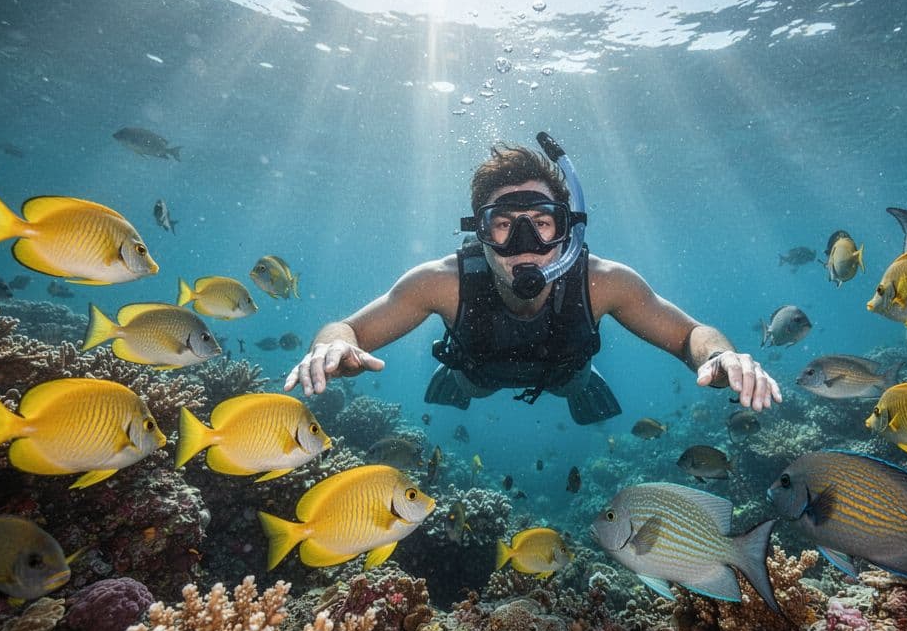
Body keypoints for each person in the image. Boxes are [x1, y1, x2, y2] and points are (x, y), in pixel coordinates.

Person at [284, 135, 781, 424]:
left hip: (568, 378)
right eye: (504, 224)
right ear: (480, 232)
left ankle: (581, 387)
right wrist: (331, 348)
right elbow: (344, 329)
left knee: (574, 383)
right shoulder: (441, 281)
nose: (525, 242)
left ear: (567, 230)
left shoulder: (603, 282)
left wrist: (721, 356)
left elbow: (692, 335)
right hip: (473, 378)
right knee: (471, 385)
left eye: (542, 223)